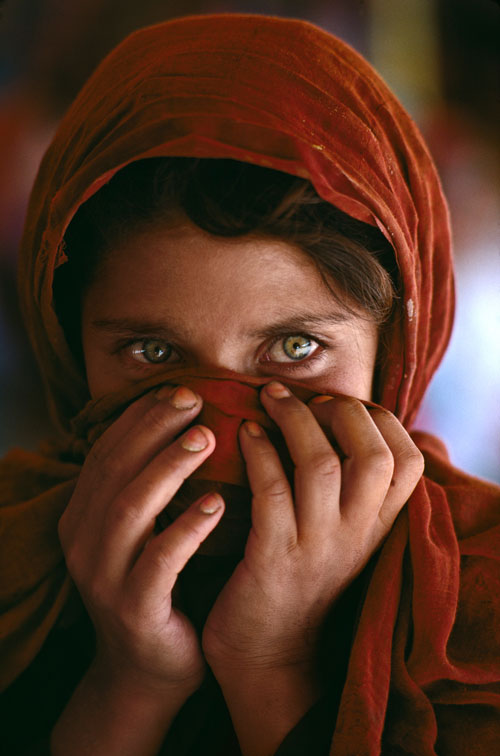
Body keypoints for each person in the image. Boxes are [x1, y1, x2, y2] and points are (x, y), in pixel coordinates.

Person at [1, 13, 499, 756]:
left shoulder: (477, 607)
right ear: (67, 342)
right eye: (152, 352)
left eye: (297, 349)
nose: (220, 432)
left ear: (396, 349)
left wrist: (272, 663)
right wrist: (130, 679)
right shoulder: (16, 569)